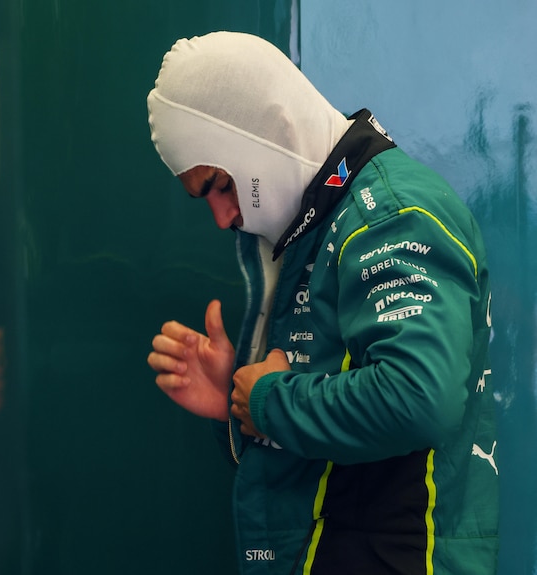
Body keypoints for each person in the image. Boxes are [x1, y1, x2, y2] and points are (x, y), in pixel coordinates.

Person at [146, 31, 498, 575]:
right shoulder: (318, 223)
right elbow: (321, 416)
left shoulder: (387, 215)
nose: (222, 217)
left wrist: (268, 401)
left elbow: (419, 398)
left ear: (258, 131)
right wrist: (237, 404)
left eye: (220, 184)